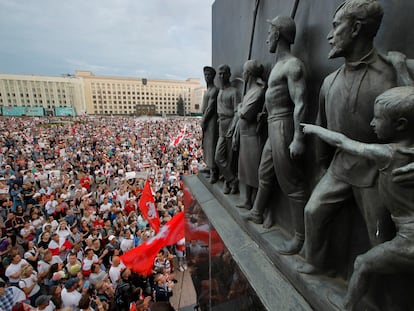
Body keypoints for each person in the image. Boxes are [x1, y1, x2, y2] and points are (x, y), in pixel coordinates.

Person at [299, 0, 414, 274]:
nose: (329, 35)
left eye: (336, 25)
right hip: (340, 166)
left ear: (356, 28)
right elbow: (321, 127)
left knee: (379, 236)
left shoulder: (396, 70)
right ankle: (315, 263)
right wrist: (321, 167)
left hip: (378, 171)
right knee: (313, 211)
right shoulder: (329, 82)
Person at [302, 86, 414, 310]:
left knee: (362, 263)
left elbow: (343, 142)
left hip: (408, 240)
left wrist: (314, 129)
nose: (371, 123)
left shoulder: (387, 154)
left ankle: (348, 306)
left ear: (400, 124)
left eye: (378, 118)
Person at [243, 16, 308, 255]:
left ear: (278, 34)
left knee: (291, 182)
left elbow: (300, 103)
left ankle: (300, 237)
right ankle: (258, 211)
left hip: (283, 126)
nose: (267, 37)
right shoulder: (278, 66)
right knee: (264, 172)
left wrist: (298, 137)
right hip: (272, 124)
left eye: (270, 32)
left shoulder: (293, 65)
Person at [233, 60, 266, 210]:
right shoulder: (249, 92)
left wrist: (240, 107)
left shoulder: (258, 92)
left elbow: (245, 113)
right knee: (244, 170)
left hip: (253, 137)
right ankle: (246, 200)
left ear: (250, 74)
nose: (243, 74)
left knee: (253, 171)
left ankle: (256, 203)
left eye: (245, 72)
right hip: (244, 135)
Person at [214, 64, 241, 194]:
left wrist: (233, 126)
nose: (221, 76)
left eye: (224, 73)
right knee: (218, 157)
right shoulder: (220, 92)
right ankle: (232, 179)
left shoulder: (234, 92)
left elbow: (237, 112)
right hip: (221, 125)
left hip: (230, 123)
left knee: (230, 157)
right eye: (219, 73)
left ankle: (228, 182)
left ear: (229, 75)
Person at [200, 66, 220, 184]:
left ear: (213, 76)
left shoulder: (214, 90)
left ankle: (214, 172)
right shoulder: (207, 90)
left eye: (209, 75)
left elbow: (211, 108)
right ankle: (209, 166)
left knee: (212, 145)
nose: (207, 77)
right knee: (206, 145)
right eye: (205, 75)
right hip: (207, 122)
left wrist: (204, 120)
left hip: (212, 122)